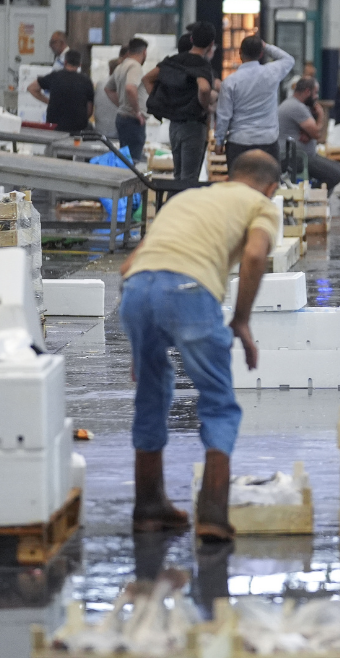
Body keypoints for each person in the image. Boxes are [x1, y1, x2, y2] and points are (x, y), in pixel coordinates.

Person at [119, 150, 283, 542]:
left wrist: (137, 348)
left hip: (136, 291)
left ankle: (148, 506)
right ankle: (212, 512)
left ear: (231, 175)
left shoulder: (188, 198)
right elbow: (255, 254)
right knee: (218, 401)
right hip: (190, 291)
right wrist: (241, 319)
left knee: (151, 392)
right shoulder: (261, 205)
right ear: (272, 188)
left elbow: (130, 267)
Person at [143, 22, 216, 183]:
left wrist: (163, 101)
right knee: (189, 179)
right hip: (193, 125)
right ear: (211, 45)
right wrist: (205, 106)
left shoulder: (173, 61)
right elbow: (204, 88)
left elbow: (147, 79)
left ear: (191, 38)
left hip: (174, 125)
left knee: (178, 176)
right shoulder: (202, 65)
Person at [215, 36, 294, 167]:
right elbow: (288, 59)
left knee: (239, 184)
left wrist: (219, 141)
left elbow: (224, 115)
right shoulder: (272, 72)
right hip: (267, 140)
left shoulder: (230, 82)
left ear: (240, 53)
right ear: (261, 53)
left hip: (240, 141)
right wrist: (266, 46)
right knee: (267, 184)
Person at [279, 78, 340, 192]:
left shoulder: (295, 105)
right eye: (315, 92)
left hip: (302, 155)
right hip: (296, 158)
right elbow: (317, 133)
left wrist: (308, 134)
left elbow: (311, 132)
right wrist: (320, 115)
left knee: (337, 168)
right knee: (335, 174)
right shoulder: (296, 107)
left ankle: (316, 195)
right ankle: (311, 195)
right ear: (307, 92)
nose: (316, 97)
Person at [105, 37, 149, 161]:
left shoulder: (121, 67)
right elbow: (130, 88)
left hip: (122, 119)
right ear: (144, 52)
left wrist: (121, 105)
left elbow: (108, 89)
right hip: (133, 121)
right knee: (132, 161)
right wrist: (137, 112)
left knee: (125, 159)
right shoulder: (135, 67)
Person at [28, 49, 93, 133]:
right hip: (77, 128)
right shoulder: (86, 81)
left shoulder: (54, 76)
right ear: (79, 65)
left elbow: (31, 88)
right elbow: (89, 110)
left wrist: (48, 101)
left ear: (65, 62)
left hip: (55, 127)